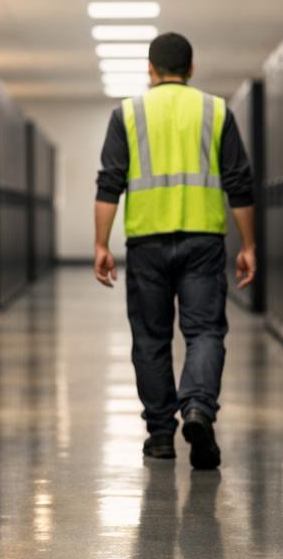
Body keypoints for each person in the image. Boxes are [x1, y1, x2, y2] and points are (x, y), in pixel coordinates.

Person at [93, 32, 257, 470]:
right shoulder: (216, 110)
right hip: (203, 239)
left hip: (146, 241)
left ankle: (161, 435)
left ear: (150, 70)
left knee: (151, 337)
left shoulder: (127, 113)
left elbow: (109, 182)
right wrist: (249, 246)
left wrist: (100, 244)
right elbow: (239, 182)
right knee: (204, 331)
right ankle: (199, 409)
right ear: (192, 69)